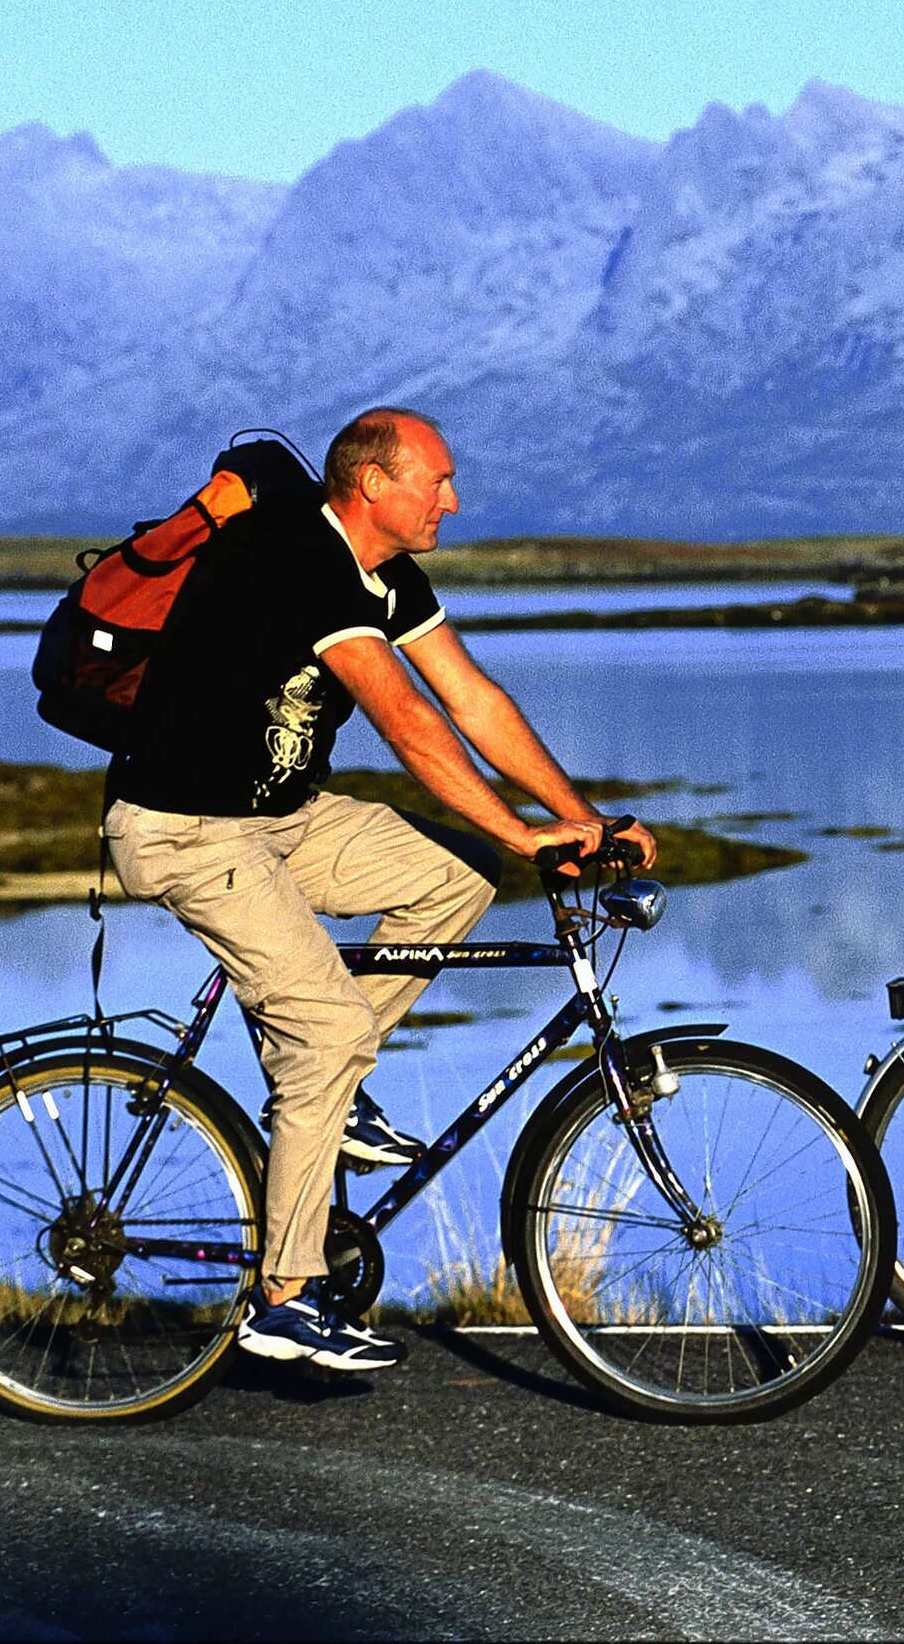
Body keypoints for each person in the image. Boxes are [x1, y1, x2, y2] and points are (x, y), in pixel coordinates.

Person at [102, 406, 654, 1372]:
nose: (453, 498)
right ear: (373, 485)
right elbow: (406, 720)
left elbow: (469, 697)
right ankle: (283, 1294)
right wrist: (521, 832)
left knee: (455, 875)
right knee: (327, 1029)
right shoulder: (299, 561)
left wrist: (581, 818)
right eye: (436, 480)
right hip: (186, 829)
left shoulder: (387, 572)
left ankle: (329, 1090)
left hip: (278, 818)